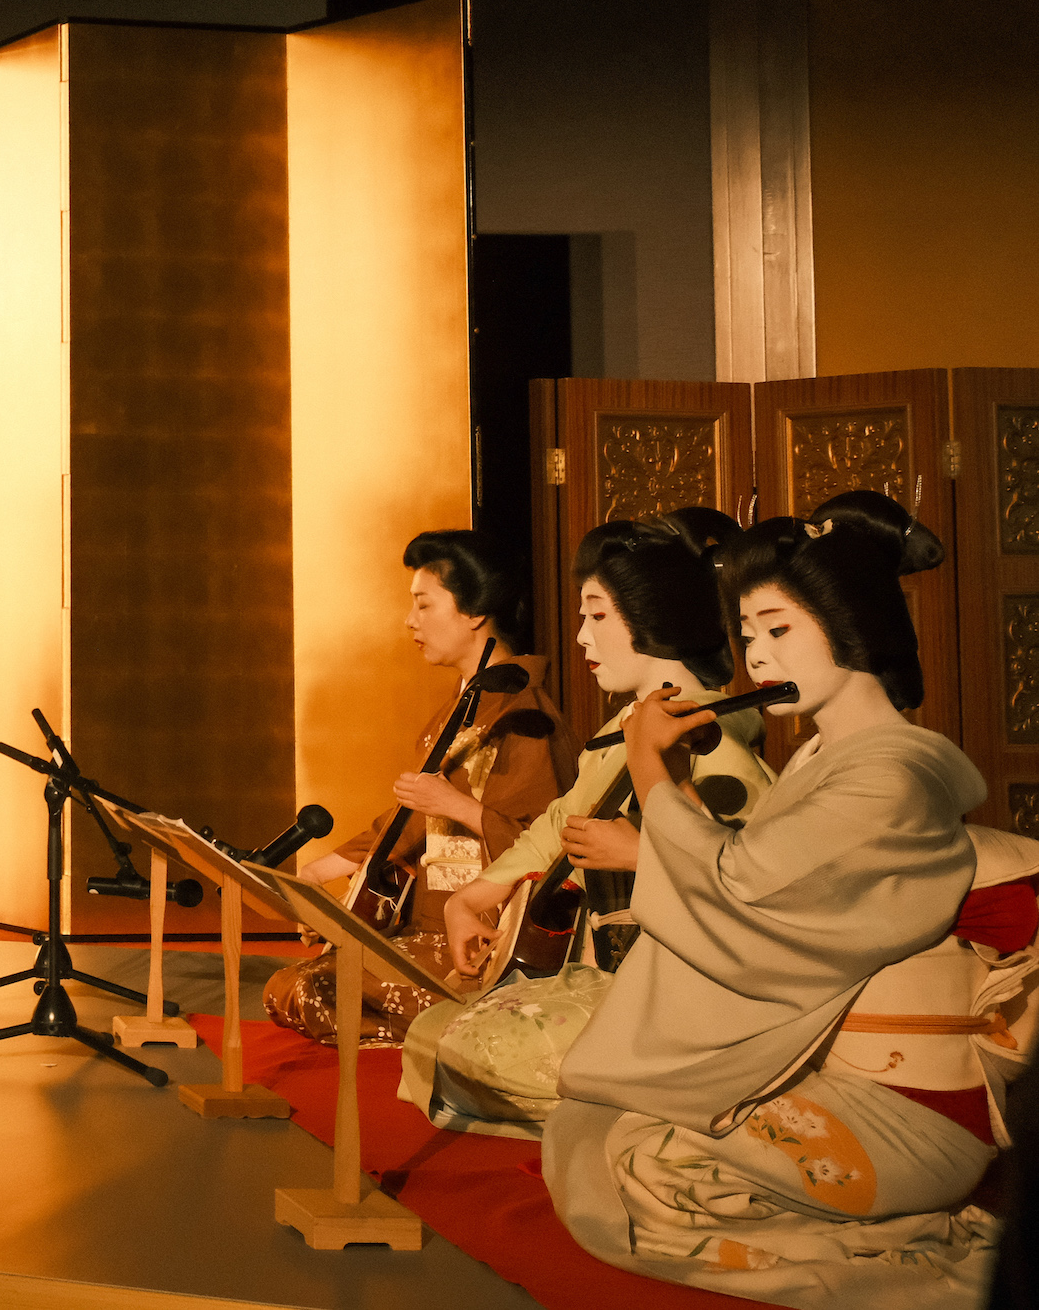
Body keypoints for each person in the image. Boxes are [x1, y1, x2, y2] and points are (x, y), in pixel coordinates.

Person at [546, 490, 1039, 1306]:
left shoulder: (893, 777)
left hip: (908, 1107)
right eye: (746, 636)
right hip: (827, 1069)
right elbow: (752, 885)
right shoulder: (822, 760)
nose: (756, 659)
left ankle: (910, 1256)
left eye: (778, 631)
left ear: (851, 625)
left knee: (650, 1164)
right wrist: (674, 788)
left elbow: (739, 896)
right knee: (599, 1130)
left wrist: (649, 770)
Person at [401, 510, 777, 1135]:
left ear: (652, 618)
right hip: (611, 975)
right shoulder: (621, 729)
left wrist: (643, 855)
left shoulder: (716, 743)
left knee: (464, 1050)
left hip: (684, 997)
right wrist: (474, 896)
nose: (580, 638)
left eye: (597, 617)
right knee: (435, 1034)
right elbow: (560, 820)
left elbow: (754, 885)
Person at [263, 528, 572, 1044]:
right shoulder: (461, 707)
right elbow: (409, 821)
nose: (411, 620)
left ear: (474, 613)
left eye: (424, 605)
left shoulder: (523, 716)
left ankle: (474, 1023)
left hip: (477, 937)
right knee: (288, 989)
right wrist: (321, 871)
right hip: (424, 926)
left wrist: (457, 806)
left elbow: (548, 843)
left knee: (315, 991)